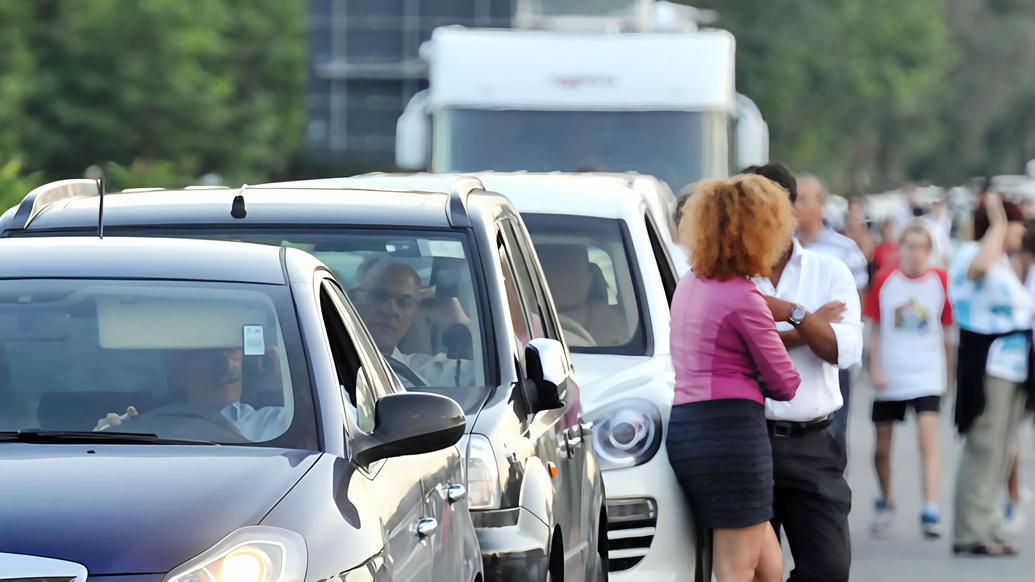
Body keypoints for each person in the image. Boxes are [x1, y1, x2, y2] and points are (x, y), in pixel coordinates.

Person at [667, 174, 801, 582]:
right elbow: (786, 383)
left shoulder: (689, 284)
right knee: (735, 569)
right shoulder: (745, 298)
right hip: (732, 436)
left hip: (689, 428)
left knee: (768, 565)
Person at [745, 162, 862, 582]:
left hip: (812, 443)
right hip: (746, 441)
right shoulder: (724, 278)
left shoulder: (829, 272)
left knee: (829, 570)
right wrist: (805, 321)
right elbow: (735, 356)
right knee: (748, 571)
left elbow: (839, 349)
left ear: (789, 211)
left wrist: (786, 321)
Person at [949, 192, 1033, 556]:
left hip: (1013, 365)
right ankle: (971, 530)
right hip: (989, 364)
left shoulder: (1002, 260)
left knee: (1002, 450)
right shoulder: (975, 254)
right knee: (984, 447)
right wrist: (997, 224)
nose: (1021, 231)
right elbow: (976, 271)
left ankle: (989, 523)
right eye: (1017, 223)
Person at [865, 223, 954, 539]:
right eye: (909, 246)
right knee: (882, 448)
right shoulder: (885, 280)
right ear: (899, 248)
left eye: (921, 247)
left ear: (929, 252)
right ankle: (885, 499)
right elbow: (874, 326)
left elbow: (946, 331)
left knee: (928, 438)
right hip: (892, 373)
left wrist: (947, 376)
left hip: (927, 372)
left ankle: (930, 508)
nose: (915, 253)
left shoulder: (940, 281)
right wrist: (874, 366)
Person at [793, 173, 869, 448]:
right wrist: (815, 317)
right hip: (790, 358)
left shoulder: (845, 251)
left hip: (830, 359)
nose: (795, 206)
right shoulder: (779, 251)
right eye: (793, 199)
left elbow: (850, 309)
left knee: (832, 439)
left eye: (803, 199)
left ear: (821, 204)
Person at [97, 346, 288, 441]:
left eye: (232, 350)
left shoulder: (282, 425)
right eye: (208, 352)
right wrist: (103, 437)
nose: (226, 364)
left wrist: (289, 373)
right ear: (175, 371)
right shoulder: (136, 427)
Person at [350, 259, 475, 387]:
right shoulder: (329, 361)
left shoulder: (422, 373)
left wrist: (460, 322)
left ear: (415, 311)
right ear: (352, 299)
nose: (391, 310)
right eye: (379, 296)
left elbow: (486, 371)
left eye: (402, 302)